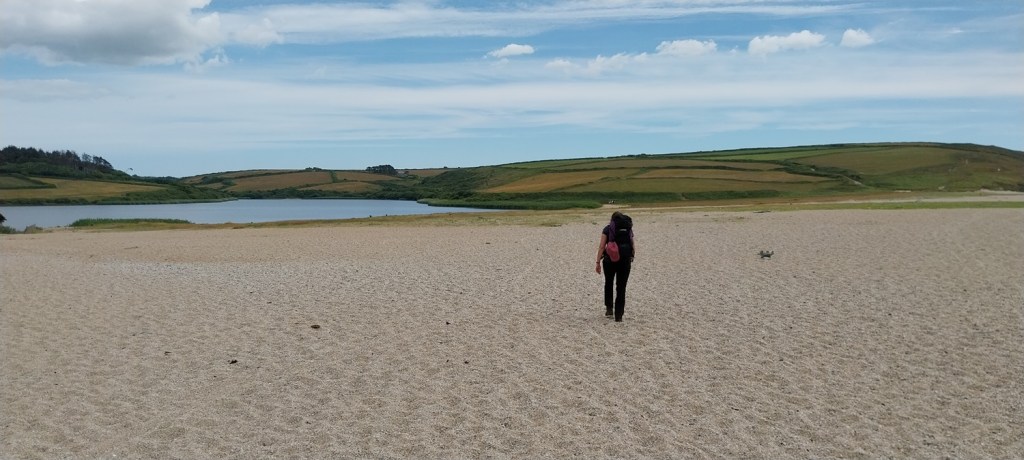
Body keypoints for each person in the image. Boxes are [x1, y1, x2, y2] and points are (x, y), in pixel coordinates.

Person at [595, 211, 635, 322]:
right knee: (621, 287)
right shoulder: (628, 228)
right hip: (625, 260)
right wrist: (631, 256)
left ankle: (609, 309)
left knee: (609, 283)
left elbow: (602, 246)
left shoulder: (607, 229)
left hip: (609, 261)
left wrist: (597, 262)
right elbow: (632, 244)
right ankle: (619, 316)